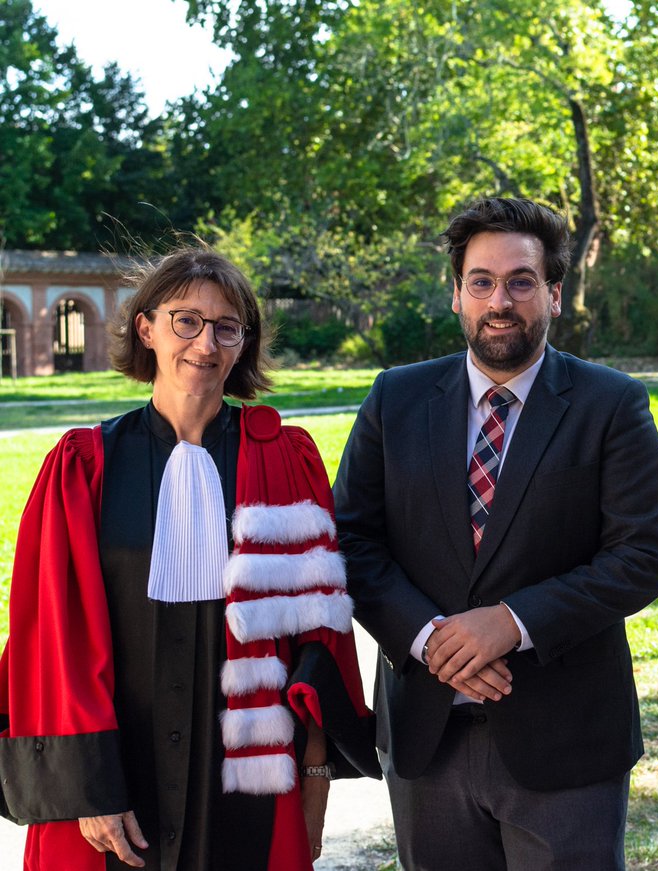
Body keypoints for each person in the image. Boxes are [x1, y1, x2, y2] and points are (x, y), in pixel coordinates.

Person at [0, 248, 379, 870]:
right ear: (146, 328)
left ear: (242, 346)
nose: (205, 343)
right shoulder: (84, 466)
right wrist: (90, 786)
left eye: (227, 327)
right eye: (186, 321)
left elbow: (316, 638)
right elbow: (52, 637)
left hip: (247, 771)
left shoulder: (284, 459)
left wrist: (316, 775)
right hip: (117, 761)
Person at [334, 196, 658, 870]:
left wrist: (511, 622)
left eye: (521, 281)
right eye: (482, 281)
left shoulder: (612, 403)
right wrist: (430, 639)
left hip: (567, 739)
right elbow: (349, 541)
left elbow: (641, 555)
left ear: (552, 293)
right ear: (456, 293)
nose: (501, 300)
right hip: (427, 740)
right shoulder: (393, 400)